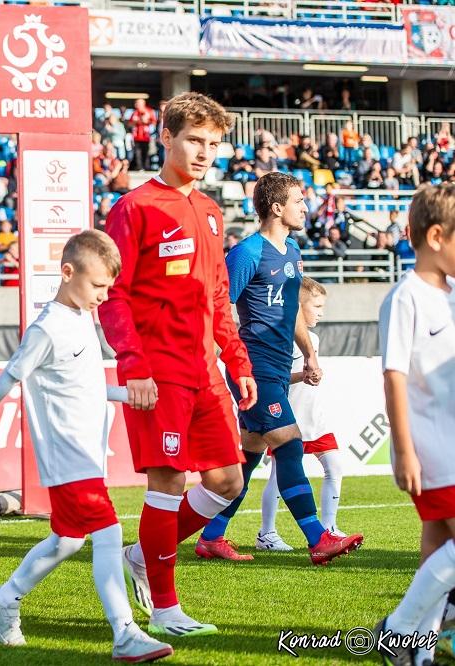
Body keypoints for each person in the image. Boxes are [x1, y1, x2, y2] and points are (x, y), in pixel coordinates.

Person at [0, 231, 173, 661]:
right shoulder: (46, 328)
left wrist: (129, 395)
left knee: (66, 540)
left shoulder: (82, 316)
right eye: (98, 286)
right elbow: (5, 383)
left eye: (108, 287)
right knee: (109, 533)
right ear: (67, 273)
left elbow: (84, 385)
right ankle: (124, 633)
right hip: (66, 456)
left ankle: (4, 599)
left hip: (86, 454)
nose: (104, 297)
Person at [101, 92, 258, 637]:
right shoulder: (134, 207)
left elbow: (218, 294)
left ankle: (143, 557)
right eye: (193, 140)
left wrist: (236, 361)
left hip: (204, 371)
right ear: (164, 138)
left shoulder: (212, 213)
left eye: (213, 144)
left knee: (226, 481)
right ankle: (166, 610)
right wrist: (133, 363)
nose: (203, 152)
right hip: (156, 371)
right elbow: (113, 294)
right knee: (166, 483)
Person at [193, 173, 362, 563]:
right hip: (252, 367)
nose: (306, 207)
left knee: (250, 455)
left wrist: (310, 354)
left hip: (277, 365)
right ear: (276, 207)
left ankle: (213, 535)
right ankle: (318, 538)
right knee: (289, 445)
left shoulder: (291, 252)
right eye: (299, 201)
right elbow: (215, 309)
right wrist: (226, 361)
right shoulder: (248, 253)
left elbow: (292, 312)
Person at [374, 184, 455, 665]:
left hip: (451, 442)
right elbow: (394, 376)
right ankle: (399, 630)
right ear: (438, 236)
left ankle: (416, 652)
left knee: (437, 546)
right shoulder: (406, 298)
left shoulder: (451, 294)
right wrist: (404, 450)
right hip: (431, 448)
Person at [258, 277, 347, 551]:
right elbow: (276, 377)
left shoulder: (314, 339)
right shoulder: (282, 338)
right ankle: (267, 533)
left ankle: (329, 527)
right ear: (298, 306)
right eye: (316, 306)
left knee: (334, 467)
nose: (321, 313)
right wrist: (303, 375)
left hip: (315, 420)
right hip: (288, 420)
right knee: (277, 478)